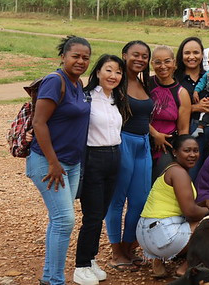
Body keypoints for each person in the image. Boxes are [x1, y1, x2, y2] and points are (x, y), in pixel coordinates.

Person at [27, 36, 91, 285]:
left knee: (59, 220)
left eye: (85, 57)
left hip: (72, 164)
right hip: (49, 163)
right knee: (65, 220)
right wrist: (54, 163)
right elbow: (38, 123)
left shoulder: (77, 83)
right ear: (63, 56)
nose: (80, 61)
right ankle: (54, 280)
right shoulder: (56, 81)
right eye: (75, 55)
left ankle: (49, 277)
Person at [74, 54, 129, 285]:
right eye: (108, 70)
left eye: (117, 72)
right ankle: (81, 265)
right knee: (93, 215)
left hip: (114, 157)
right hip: (93, 158)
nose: (113, 76)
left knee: (102, 212)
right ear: (97, 72)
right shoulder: (86, 98)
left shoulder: (117, 98)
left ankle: (91, 258)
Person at [136, 135, 209, 279]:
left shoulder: (171, 169)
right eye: (187, 150)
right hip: (163, 235)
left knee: (196, 219)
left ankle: (158, 260)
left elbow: (179, 205)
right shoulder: (179, 173)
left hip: (145, 235)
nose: (192, 155)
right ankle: (186, 267)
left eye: (196, 150)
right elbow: (190, 212)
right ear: (175, 152)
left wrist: (205, 202)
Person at [106, 40, 153, 270]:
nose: (140, 59)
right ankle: (116, 252)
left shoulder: (144, 83)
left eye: (145, 56)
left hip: (143, 144)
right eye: (135, 54)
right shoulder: (116, 81)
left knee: (139, 200)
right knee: (117, 200)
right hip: (123, 140)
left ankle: (128, 247)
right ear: (124, 55)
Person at [174, 36, 209, 179]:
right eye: (187, 53)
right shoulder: (175, 79)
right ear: (181, 56)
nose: (192, 57)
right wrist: (195, 107)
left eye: (196, 52)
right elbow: (169, 109)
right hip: (189, 130)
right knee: (190, 175)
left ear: (202, 55)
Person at [147, 46, 192, 180]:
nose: (163, 66)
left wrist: (181, 155)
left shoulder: (181, 93)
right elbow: (137, 115)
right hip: (143, 142)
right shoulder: (145, 85)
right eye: (157, 62)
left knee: (158, 184)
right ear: (152, 64)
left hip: (166, 148)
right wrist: (155, 134)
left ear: (174, 63)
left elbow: (183, 129)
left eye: (167, 61)